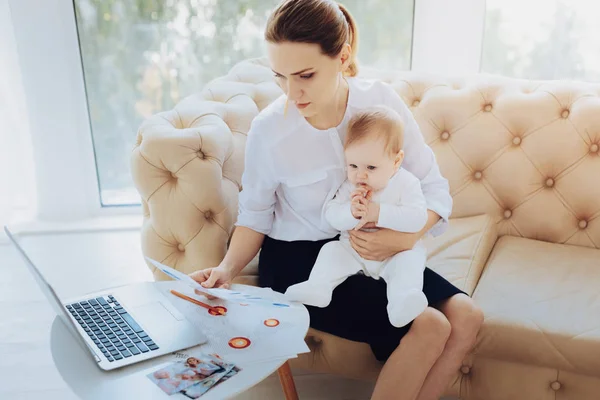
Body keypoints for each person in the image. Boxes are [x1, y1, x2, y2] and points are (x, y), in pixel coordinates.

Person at [190, 1, 484, 399]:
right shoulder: (269, 130)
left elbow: (433, 188)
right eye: (280, 76)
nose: (293, 92)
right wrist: (226, 269)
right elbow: (255, 215)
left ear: (342, 57)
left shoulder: (380, 103)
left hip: (374, 249)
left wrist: (405, 239)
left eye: (306, 75)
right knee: (430, 325)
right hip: (298, 260)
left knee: (466, 316)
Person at [285, 105, 429, 328]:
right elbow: (332, 215)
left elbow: (417, 218)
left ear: (396, 162)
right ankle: (319, 287)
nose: (360, 175)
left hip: (395, 254)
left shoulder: (407, 184)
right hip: (354, 251)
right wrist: (350, 212)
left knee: (410, 263)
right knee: (331, 251)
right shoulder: (349, 186)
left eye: (371, 167)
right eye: (353, 165)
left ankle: (402, 302)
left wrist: (377, 212)